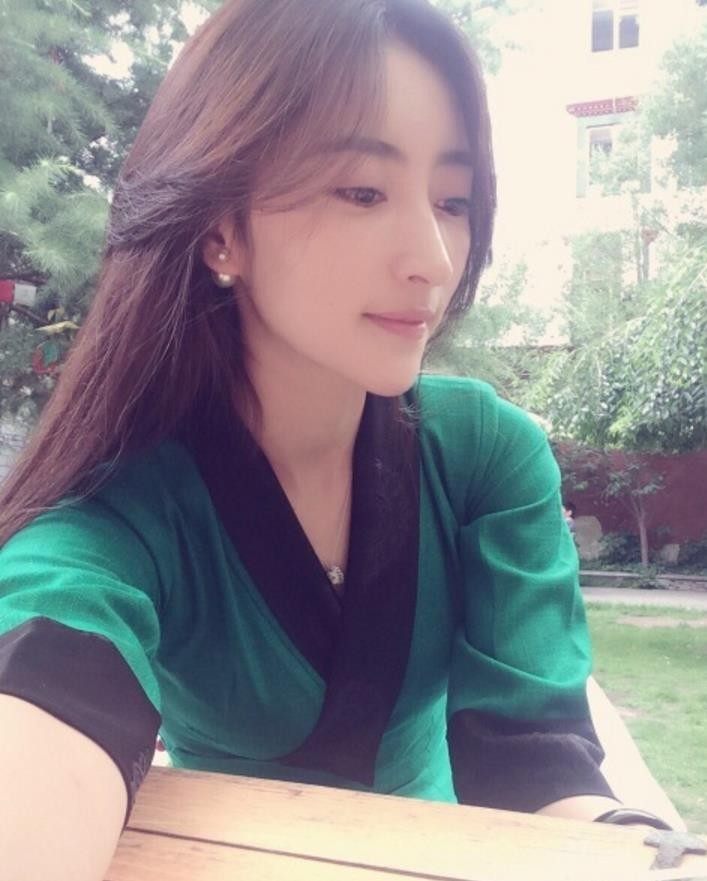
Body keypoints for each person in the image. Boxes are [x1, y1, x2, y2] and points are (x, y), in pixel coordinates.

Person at [0, 1, 680, 878]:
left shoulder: (484, 455)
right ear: (220, 229)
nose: (434, 257)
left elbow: (534, 756)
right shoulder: (122, 510)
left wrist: (640, 849)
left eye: (453, 201)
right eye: (362, 191)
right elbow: (49, 688)